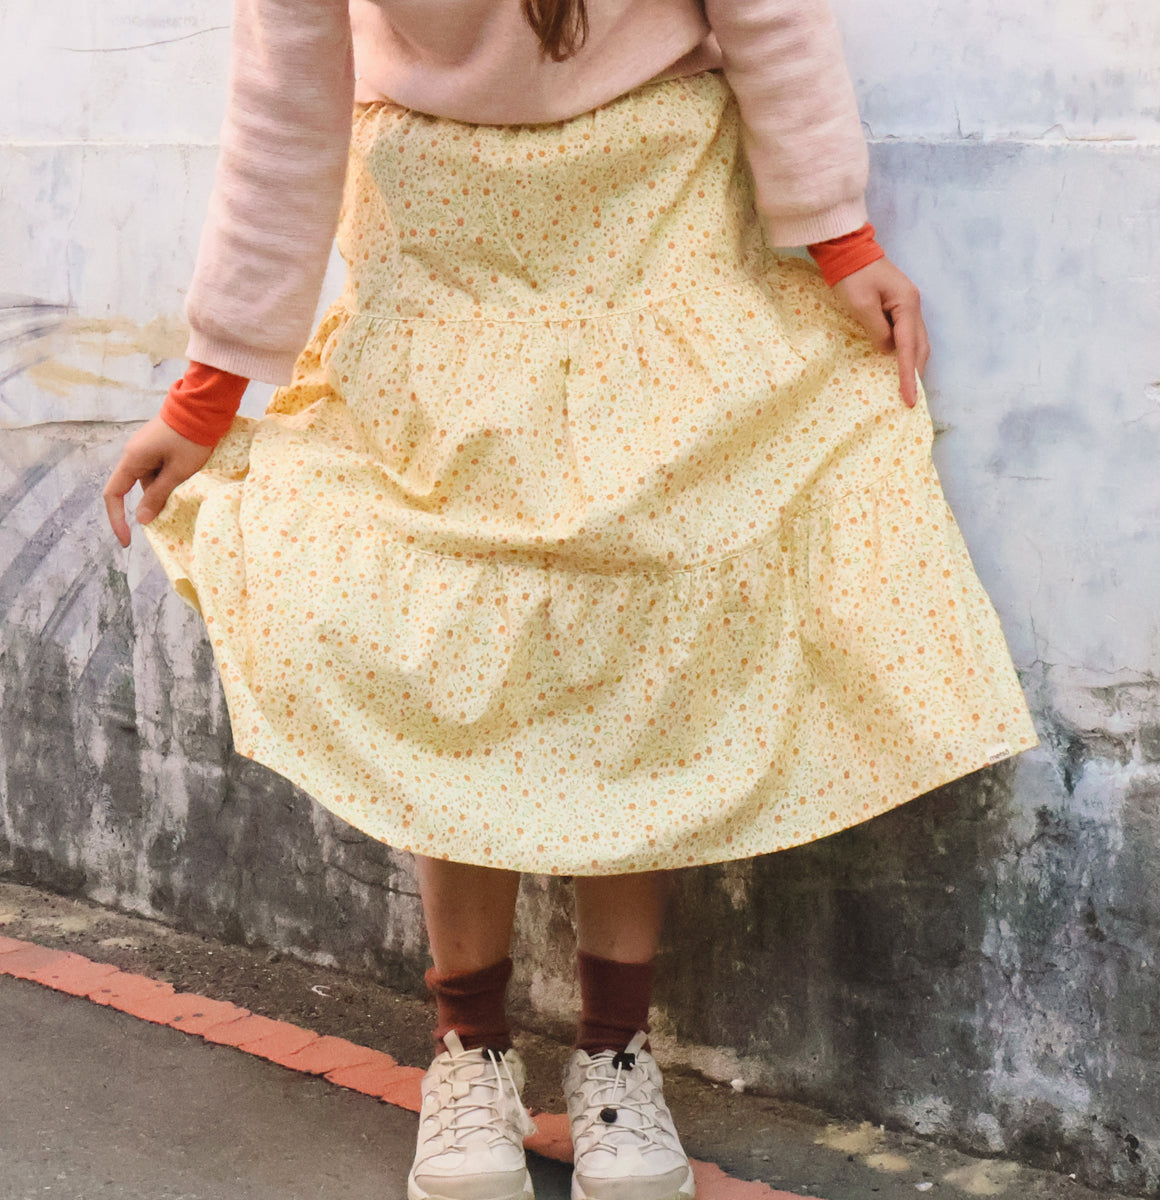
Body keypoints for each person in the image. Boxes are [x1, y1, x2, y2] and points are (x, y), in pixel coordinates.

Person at [103, 2, 1038, 1198]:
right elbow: (284, 104)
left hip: (650, 219)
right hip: (440, 241)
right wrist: (205, 391)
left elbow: (768, 11)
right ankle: (468, 1052)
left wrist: (839, 241)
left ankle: (615, 1060)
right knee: (446, 637)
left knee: (636, 631)